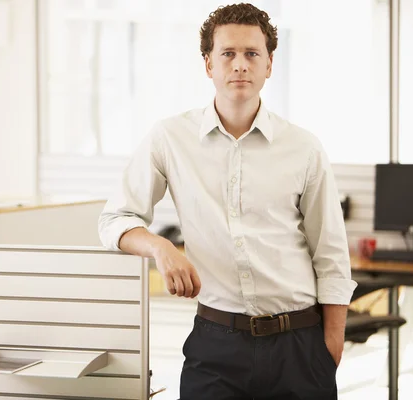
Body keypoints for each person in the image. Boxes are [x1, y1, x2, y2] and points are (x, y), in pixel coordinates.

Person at [98, 3, 357, 399]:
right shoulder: (170, 138)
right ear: (209, 65)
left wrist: (330, 348)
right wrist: (161, 248)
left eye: (252, 54)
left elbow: (331, 254)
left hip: (299, 345)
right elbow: (114, 220)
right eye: (228, 54)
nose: (240, 65)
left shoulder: (304, 148)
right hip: (216, 345)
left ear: (269, 64)